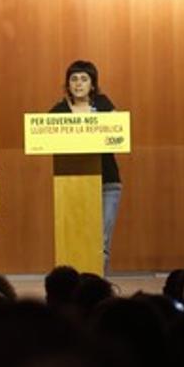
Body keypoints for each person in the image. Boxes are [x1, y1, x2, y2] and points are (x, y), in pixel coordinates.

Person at [48, 60, 123, 273]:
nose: (78, 84)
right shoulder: (59, 111)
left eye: (84, 79)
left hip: (107, 183)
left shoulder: (103, 104)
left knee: (102, 241)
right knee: (75, 239)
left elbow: (118, 131)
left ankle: (98, 287)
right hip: (71, 183)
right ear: (67, 85)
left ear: (92, 84)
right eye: (73, 79)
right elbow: (44, 137)